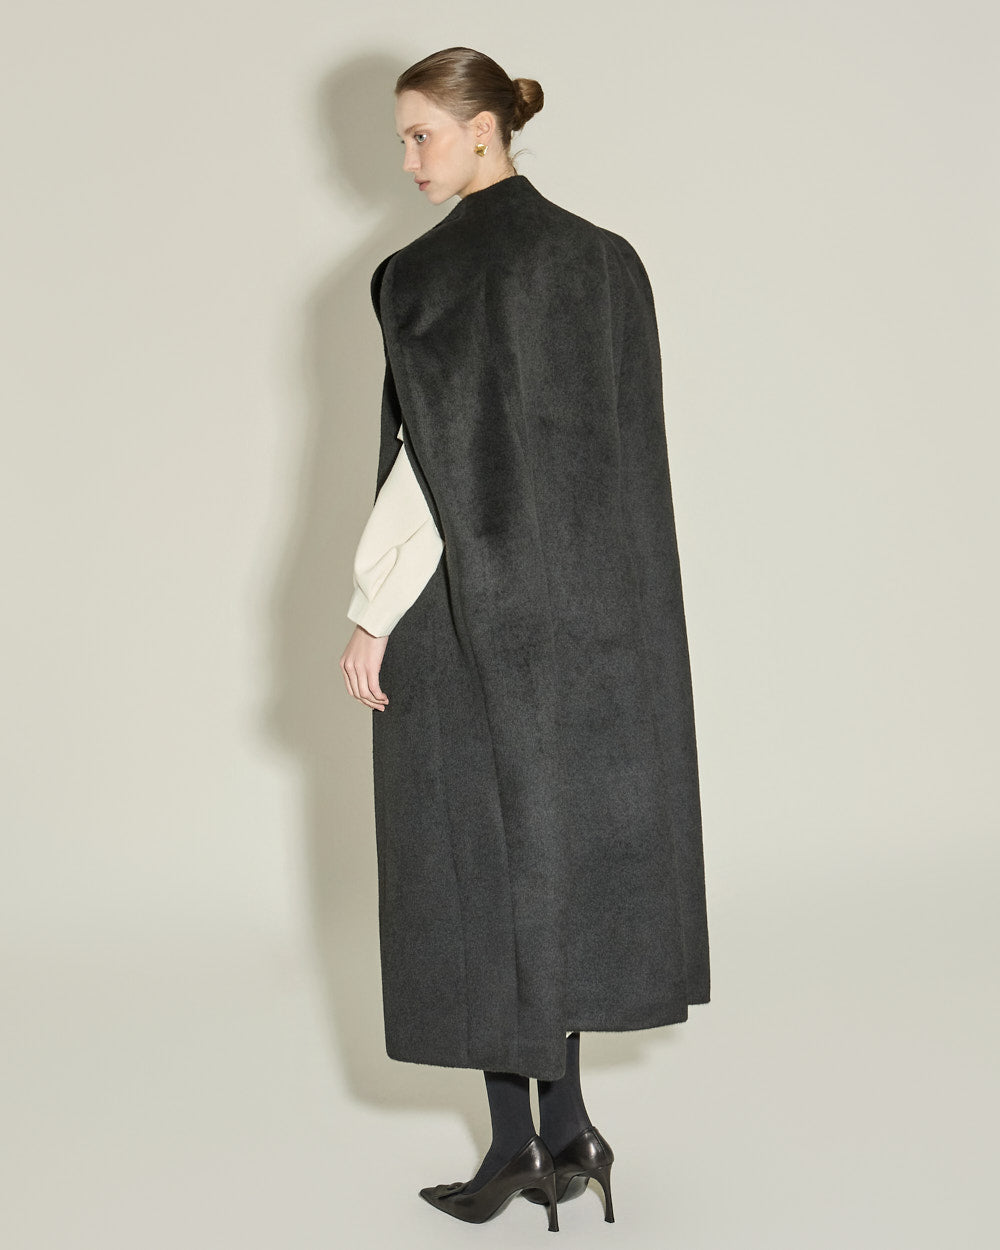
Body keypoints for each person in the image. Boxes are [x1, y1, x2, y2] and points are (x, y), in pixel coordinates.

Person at [339, 46, 710, 1231]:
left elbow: (427, 471)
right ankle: (573, 1132)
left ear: (483, 129)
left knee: (479, 873)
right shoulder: (606, 262)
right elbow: (627, 459)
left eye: (420, 134)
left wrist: (371, 610)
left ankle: (514, 1147)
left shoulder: (421, 277)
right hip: (596, 627)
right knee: (557, 867)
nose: (407, 157)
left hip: (466, 616)